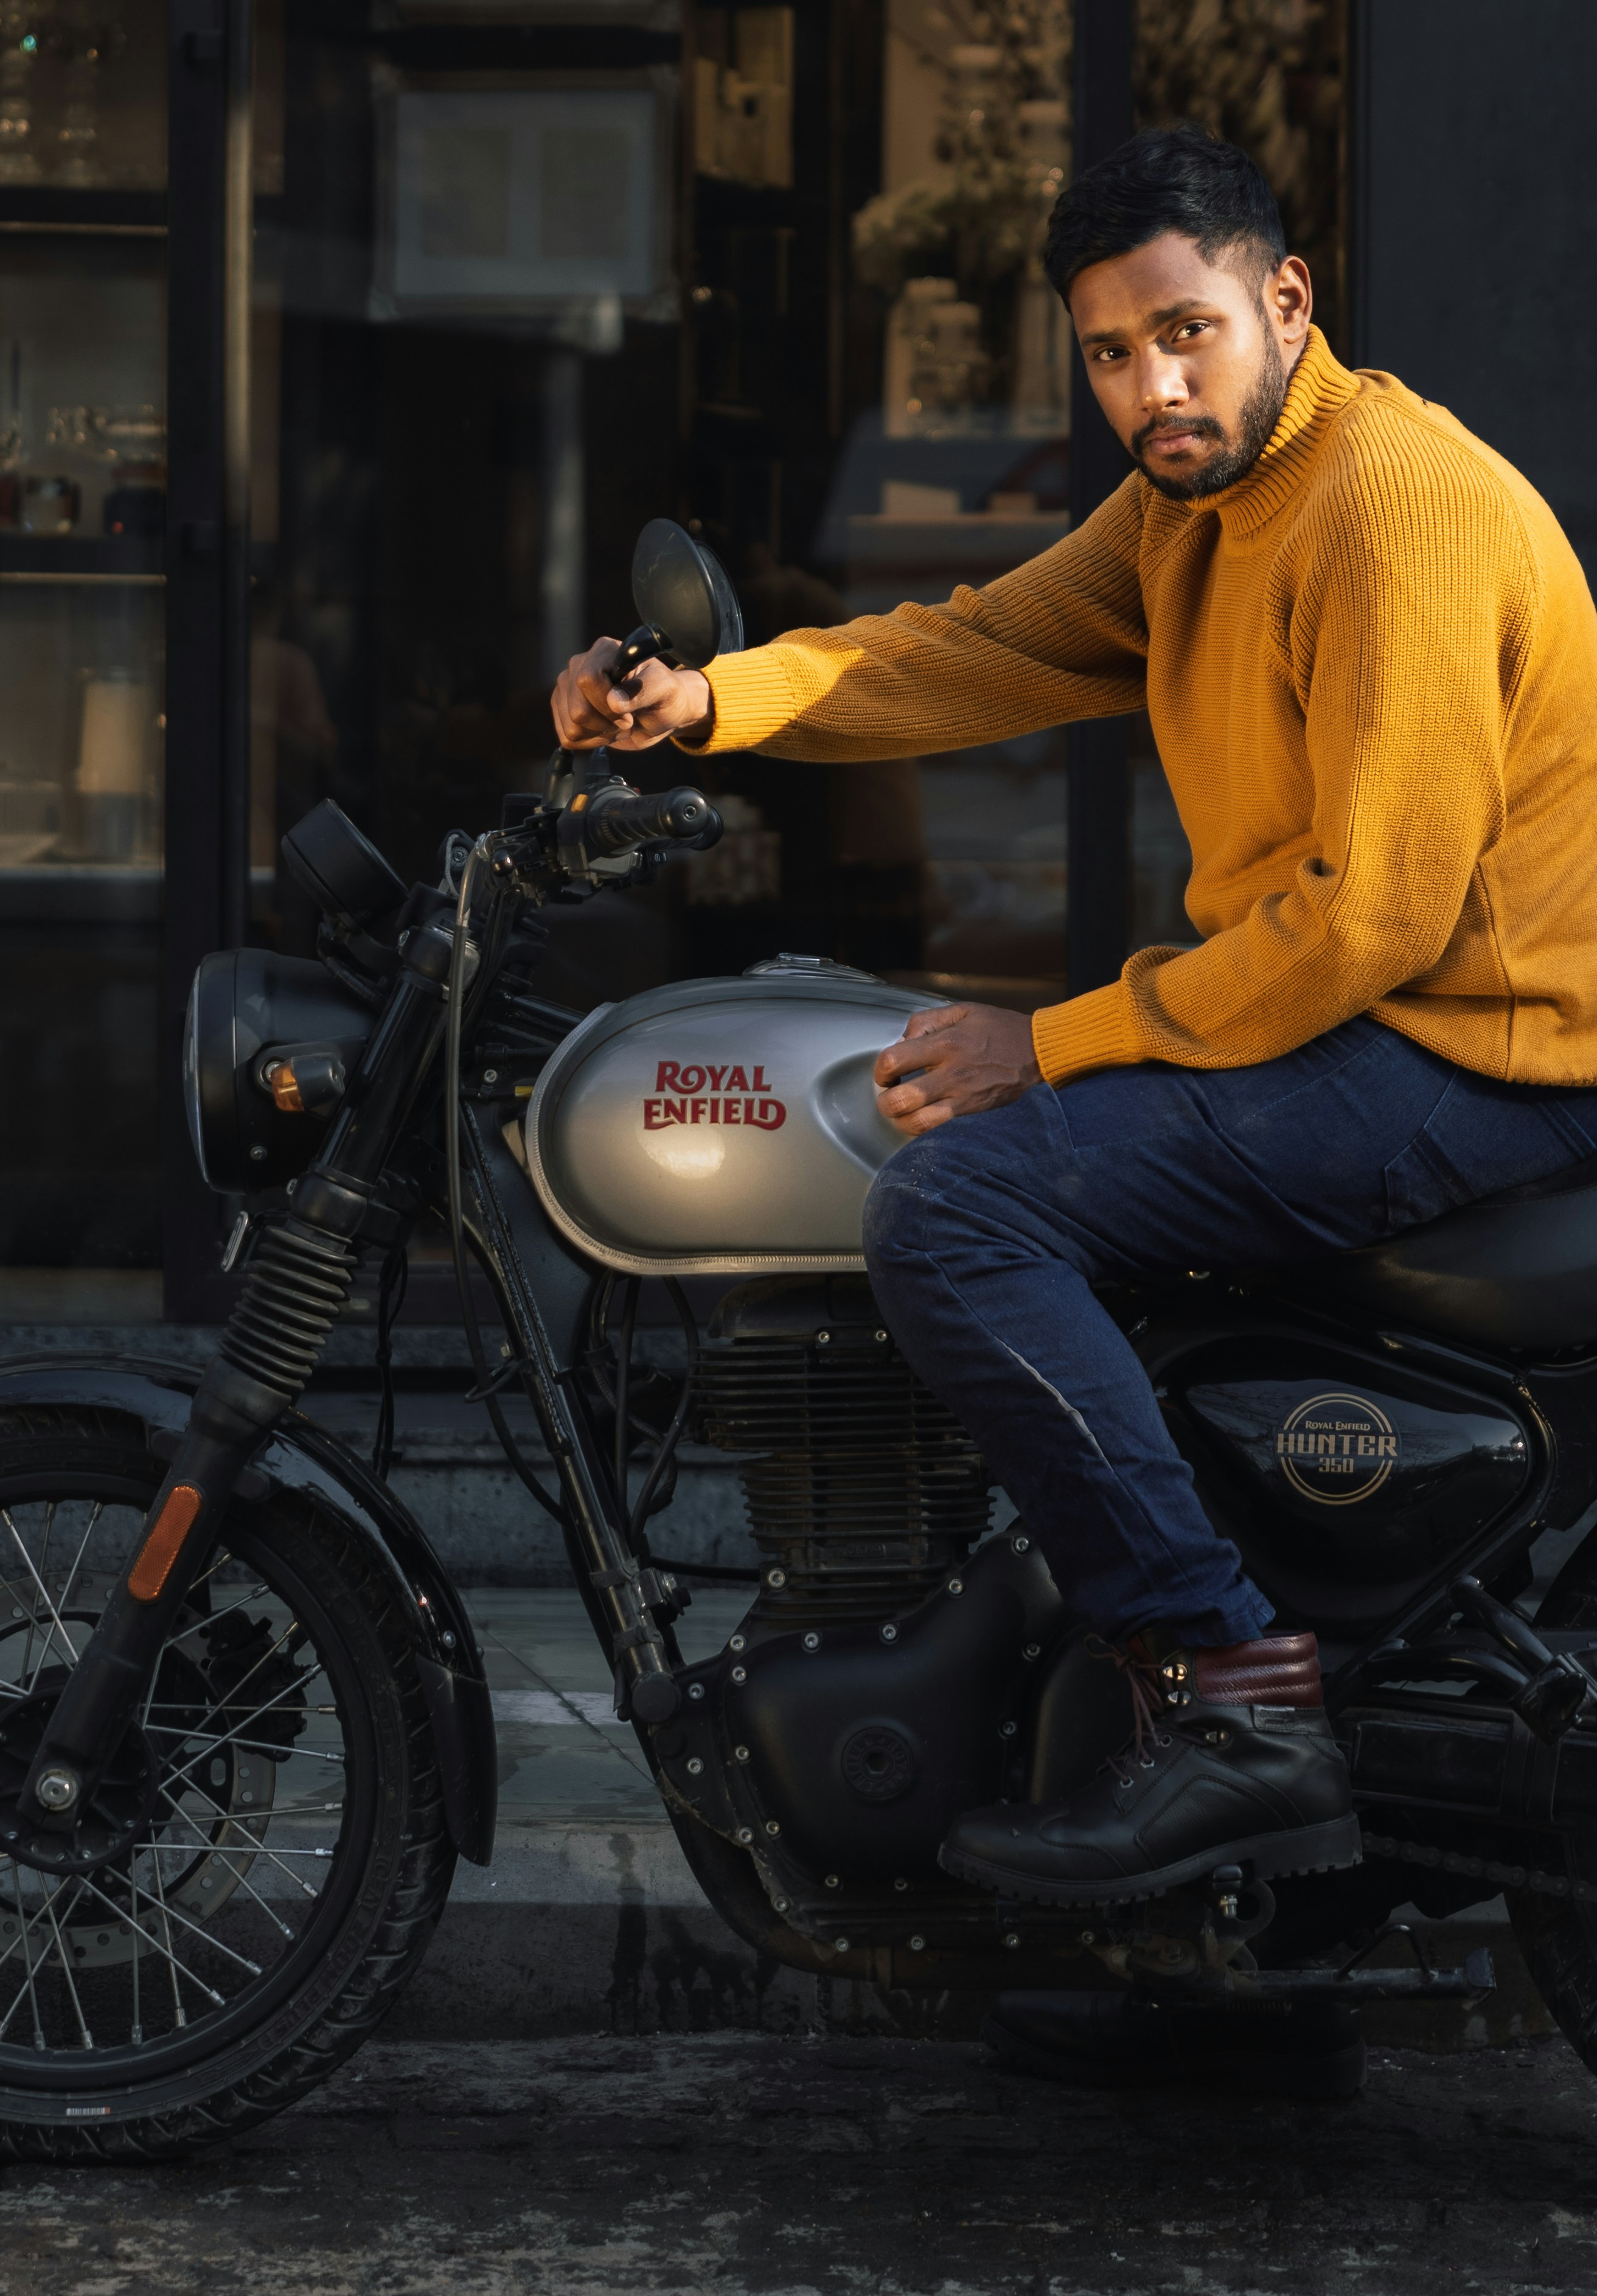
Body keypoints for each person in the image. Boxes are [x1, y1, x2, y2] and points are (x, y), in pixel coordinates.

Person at [551, 127, 1597, 2069]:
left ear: (1287, 302)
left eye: (1187, 332)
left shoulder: (1396, 507)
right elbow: (981, 650)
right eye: (1112, 353)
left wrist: (1050, 1037)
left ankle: (1230, 1695)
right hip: (1371, 1032)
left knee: (963, 1207)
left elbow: (1370, 920)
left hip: (1478, 1055)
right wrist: (713, 704)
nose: (1152, 385)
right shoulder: (1194, 507)